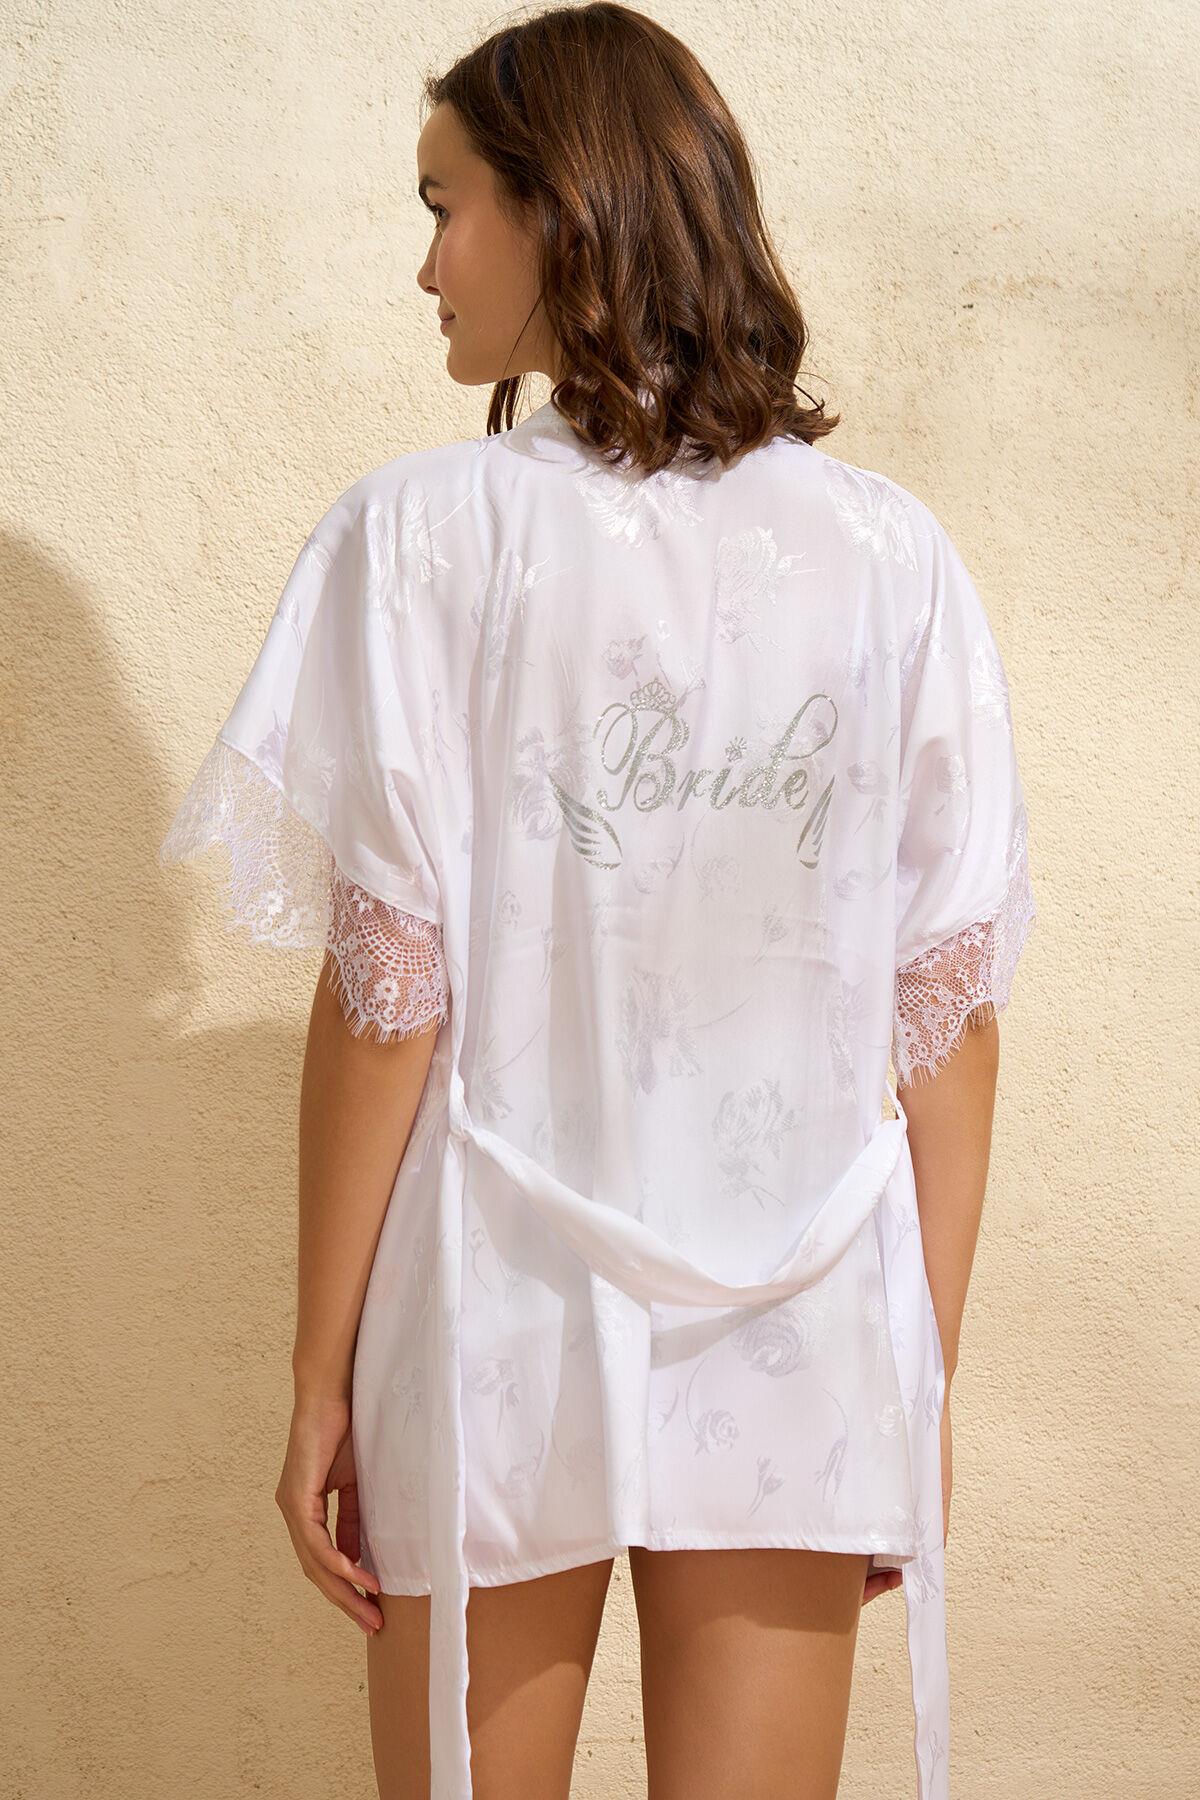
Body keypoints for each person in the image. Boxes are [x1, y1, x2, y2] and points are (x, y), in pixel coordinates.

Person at [156, 6, 1036, 1797]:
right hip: (798, 1305)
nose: (425, 266)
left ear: (563, 210)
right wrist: (916, 1378)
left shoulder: (420, 540)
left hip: (492, 1294)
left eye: (444, 207)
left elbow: (389, 1000)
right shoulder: (893, 561)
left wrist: (318, 1377)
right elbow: (946, 1017)